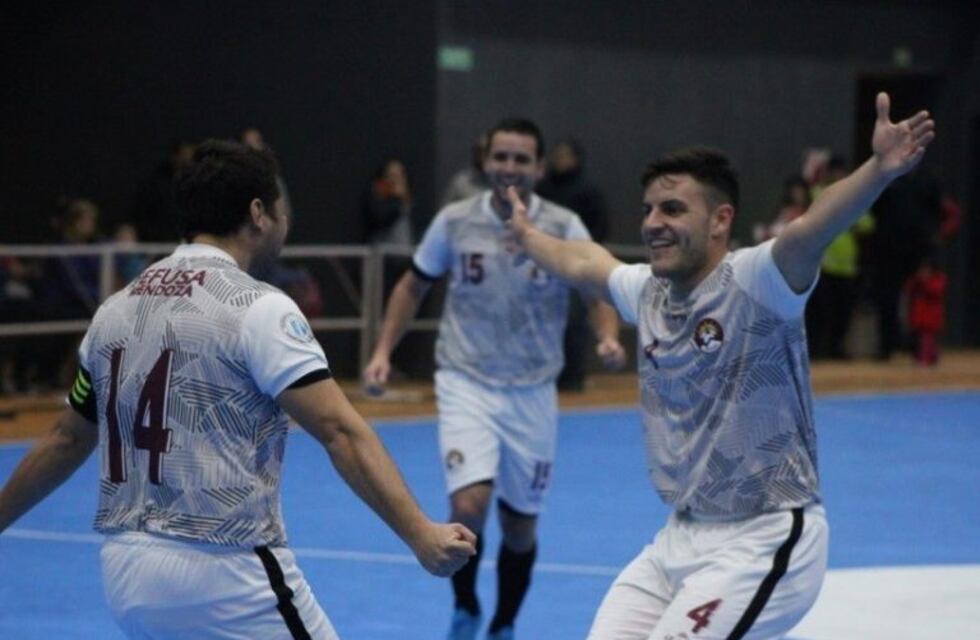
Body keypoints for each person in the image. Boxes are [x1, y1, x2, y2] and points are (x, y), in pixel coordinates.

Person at [0, 139, 476, 639]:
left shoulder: (115, 309)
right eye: (281, 206)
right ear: (258, 213)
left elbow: (67, 438)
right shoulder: (259, 308)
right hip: (224, 569)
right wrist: (421, 534)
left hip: (124, 571)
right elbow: (339, 430)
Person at [505, 93, 934, 639]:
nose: (654, 224)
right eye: (649, 210)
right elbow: (583, 262)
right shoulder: (650, 293)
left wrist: (879, 170)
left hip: (767, 536)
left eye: (674, 209)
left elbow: (811, 230)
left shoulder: (759, 283)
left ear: (720, 220)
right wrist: (527, 237)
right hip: (680, 538)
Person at [362, 118, 626, 640]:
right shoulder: (456, 221)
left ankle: (504, 624)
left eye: (521, 159)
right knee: (468, 507)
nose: (509, 168)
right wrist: (382, 351)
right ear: (486, 161)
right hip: (466, 381)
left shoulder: (564, 225)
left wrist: (608, 336)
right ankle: (465, 609)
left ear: (539, 167)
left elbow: (596, 286)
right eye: (501, 157)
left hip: (532, 390)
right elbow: (413, 286)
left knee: (520, 526)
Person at [536, 139, 610, 391]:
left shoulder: (587, 190)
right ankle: (545, 373)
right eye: (556, 155)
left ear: (576, 158)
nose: (560, 160)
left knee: (575, 320)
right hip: (544, 265)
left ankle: (573, 376)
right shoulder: (542, 189)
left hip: (578, 265)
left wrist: (585, 256)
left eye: (565, 155)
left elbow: (600, 225)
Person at [361, 158, 415, 245]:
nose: (397, 180)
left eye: (400, 175)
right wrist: (397, 200)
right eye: (393, 175)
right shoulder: (377, 193)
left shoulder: (405, 198)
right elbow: (380, 219)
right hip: (382, 253)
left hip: (403, 252)